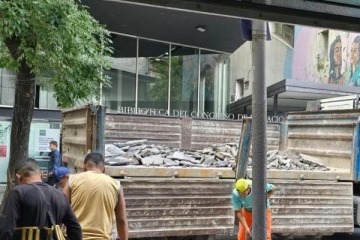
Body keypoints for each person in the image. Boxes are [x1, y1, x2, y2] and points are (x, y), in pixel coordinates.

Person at [0, 158, 82, 240]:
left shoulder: (17, 193)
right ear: (42, 174)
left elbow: (6, 228)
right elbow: (75, 228)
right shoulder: (61, 195)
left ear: (18, 177)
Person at [63, 152, 129, 240]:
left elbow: (61, 210)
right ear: (104, 169)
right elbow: (121, 220)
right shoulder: (116, 185)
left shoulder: (72, 180)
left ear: (84, 167)